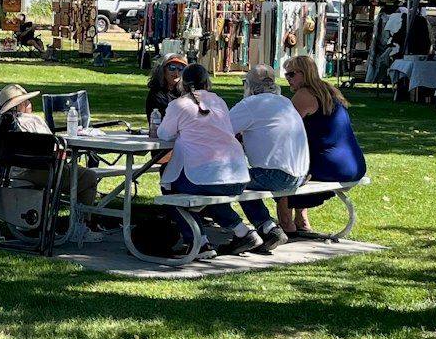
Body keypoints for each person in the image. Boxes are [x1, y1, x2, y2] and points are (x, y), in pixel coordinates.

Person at [155, 62, 257, 254]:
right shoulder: (219, 101)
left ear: (182, 84)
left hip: (207, 177)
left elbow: (164, 133)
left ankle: (197, 241)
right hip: (238, 175)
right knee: (209, 193)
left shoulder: (178, 105)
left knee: (169, 189)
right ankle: (242, 231)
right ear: (207, 82)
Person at [283, 53, 367, 236]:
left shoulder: (304, 95)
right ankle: (301, 218)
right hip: (355, 163)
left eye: (291, 74)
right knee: (302, 165)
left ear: (303, 73)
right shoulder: (329, 91)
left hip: (332, 165)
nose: (287, 79)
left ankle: (286, 222)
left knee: (283, 173)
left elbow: (285, 129)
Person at [227, 64, 307, 248]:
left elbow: (220, 132)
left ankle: (245, 229)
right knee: (247, 178)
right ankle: (268, 229)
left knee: (226, 180)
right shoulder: (284, 102)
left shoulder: (250, 104)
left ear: (249, 85)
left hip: (277, 175)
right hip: (300, 174)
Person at [145, 52, 188, 122]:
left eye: (180, 69)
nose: (176, 73)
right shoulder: (156, 94)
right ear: (162, 70)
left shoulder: (186, 92)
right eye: (172, 68)